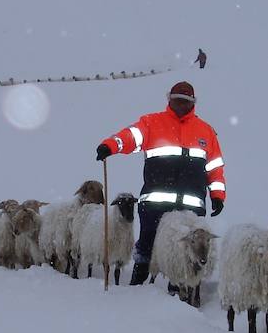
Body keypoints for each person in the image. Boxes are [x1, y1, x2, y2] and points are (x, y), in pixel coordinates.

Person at [96, 80, 225, 286]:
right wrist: (110, 146)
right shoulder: (152, 123)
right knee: (147, 244)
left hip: (191, 208)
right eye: (176, 100)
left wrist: (218, 195)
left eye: (185, 101)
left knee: (188, 250)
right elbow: (129, 137)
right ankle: (137, 285)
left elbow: (215, 167)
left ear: (193, 103)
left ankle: (180, 293)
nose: (180, 105)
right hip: (155, 204)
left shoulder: (206, 131)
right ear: (169, 100)